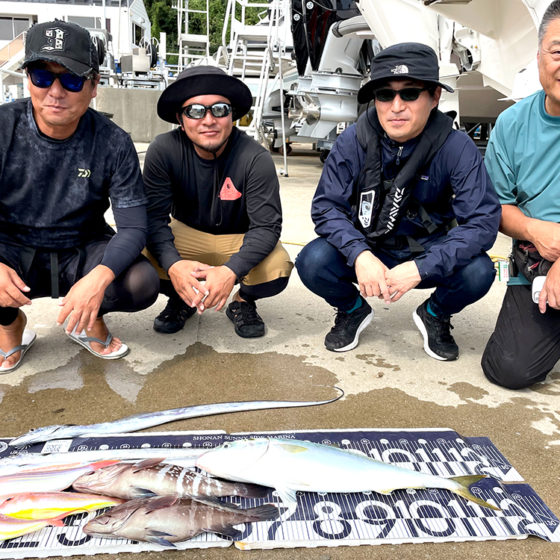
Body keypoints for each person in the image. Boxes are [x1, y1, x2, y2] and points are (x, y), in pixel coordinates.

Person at [295, 42, 501, 361]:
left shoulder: (457, 147)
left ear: (434, 97)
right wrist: (359, 253)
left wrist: (422, 267)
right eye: (385, 94)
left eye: (409, 93)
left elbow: (483, 223)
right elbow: (326, 207)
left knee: (481, 271)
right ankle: (351, 309)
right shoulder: (352, 140)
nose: (396, 106)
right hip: (369, 248)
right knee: (311, 261)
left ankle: (435, 313)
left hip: (429, 251)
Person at [0, 20, 159, 372]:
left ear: (93, 85)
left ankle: (91, 317)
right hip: (12, 247)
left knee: (141, 282)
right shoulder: (2, 128)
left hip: (82, 247)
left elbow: (133, 227)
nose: (55, 92)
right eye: (42, 77)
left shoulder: (114, 141)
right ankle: (10, 325)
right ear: (28, 79)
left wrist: (100, 277)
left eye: (71, 79)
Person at [143, 66, 293, 338]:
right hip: (186, 233)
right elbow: (153, 219)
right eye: (195, 110)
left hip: (239, 236)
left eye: (220, 109)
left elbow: (266, 227)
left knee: (278, 267)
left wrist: (230, 272)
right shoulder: (163, 150)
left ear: (233, 115)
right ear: (180, 117)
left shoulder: (256, 157)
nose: (208, 120)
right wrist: (175, 266)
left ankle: (242, 302)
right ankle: (182, 296)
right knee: (139, 260)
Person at [481, 0, 560, 389]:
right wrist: (533, 229)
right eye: (559, 51)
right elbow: (497, 207)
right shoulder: (512, 124)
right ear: (539, 56)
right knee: (508, 369)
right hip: (538, 263)